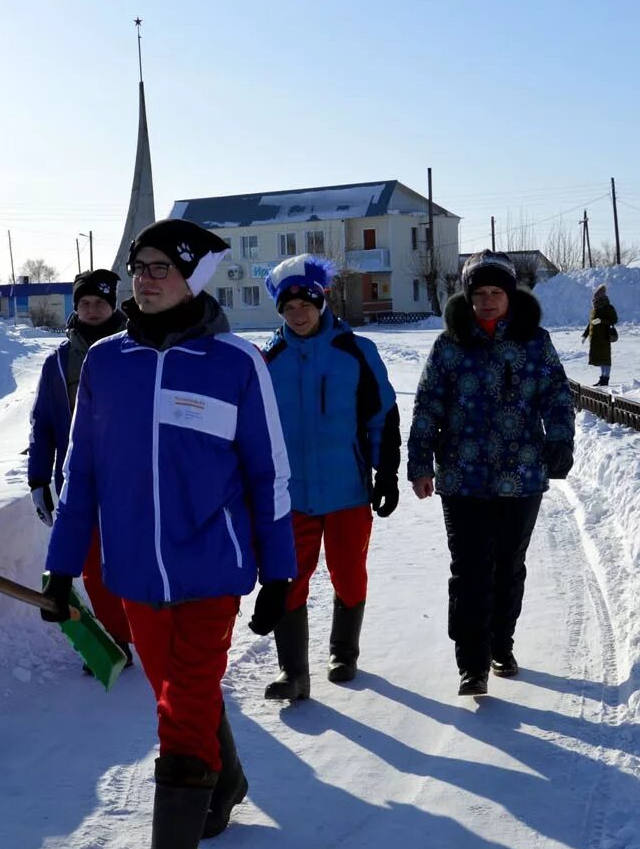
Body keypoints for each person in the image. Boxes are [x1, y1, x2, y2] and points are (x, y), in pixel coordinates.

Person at [41, 217, 296, 849]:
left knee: (179, 711)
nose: (143, 277)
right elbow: (83, 475)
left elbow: (268, 473)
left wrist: (280, 576)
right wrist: (61, 569)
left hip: (212, 569)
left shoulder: (235, 363)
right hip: (133, 576)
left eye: (159, 266)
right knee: (181, 692)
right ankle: (231, 778)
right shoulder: (107, 365)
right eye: (138, 265)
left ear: (192, 278)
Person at [407, 251, 574, 698]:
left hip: (520, 476)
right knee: (468, 569)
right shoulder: (449, 344)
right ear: (468, 296)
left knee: (507, 566)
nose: (486, 301)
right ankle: (472, 663)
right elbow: (428, 406)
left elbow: (557, 397)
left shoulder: (534, 342)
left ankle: (502, 644)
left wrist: (559, 442)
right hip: (462, 477)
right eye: (478, 293)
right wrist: (420, 463)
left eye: (495, 292)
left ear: (510, 295)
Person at [258, 254, 400, 701]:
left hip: (347, 489)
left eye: (306, 305)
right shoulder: (268, 360)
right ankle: (293, 673)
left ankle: (344, 652)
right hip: (290, 494)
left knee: (348, 572)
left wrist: (387, 473)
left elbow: (383, 416)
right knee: (288, 576)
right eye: (288, 308)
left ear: (322, 303)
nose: (298, 315)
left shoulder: (356, 352)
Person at [27, 268, 132, 670]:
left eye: (100, 303)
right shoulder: (58, 362)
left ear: (113, 305)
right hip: (77, 482)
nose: (91, 310)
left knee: (132, 561)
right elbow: (44, 423)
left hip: (129, 479)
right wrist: (39, 478)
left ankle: (150, 633)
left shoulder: (134, 351)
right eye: (84, 303)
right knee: (91, 569)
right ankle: (116, 641)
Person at [583, 284, 618, 386]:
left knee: (605, 359)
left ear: (601, 297)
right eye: (594, 297)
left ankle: (606, 378)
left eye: (596, 296)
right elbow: (591, 323)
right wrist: (585, 335)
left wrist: (601, 321)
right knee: (600, 359)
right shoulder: (594, 309)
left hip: (604, 337)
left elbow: (614, 320)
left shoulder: (608, 307)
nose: (594, 298)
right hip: (595, 339)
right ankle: (602, 378)